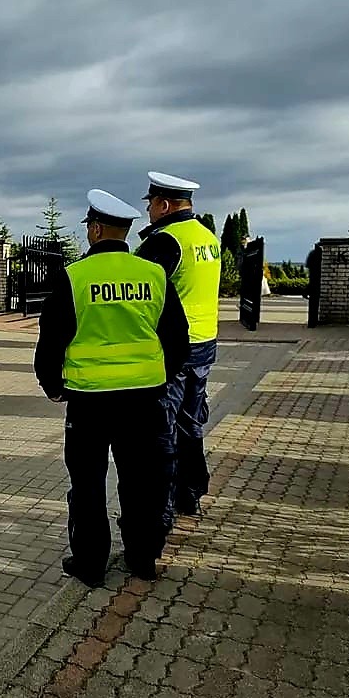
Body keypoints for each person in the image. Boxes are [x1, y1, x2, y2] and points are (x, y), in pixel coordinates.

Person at [34, 189, 189, 584]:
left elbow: (52, 339)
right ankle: (142, 559)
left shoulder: (74, 277)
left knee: (87, 485)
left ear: (97, 229)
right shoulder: (153, 275)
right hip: (144, 401)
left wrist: (52, 385)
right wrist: (159, 377)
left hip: (89, 404)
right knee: (141, 483)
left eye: (89, 226)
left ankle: (90, 565)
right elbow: (177, 338)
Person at [135, 172, 222, 520]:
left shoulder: (165, 240)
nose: (150, 212)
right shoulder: (206, 236)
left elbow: (145, 295)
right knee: (191, 423)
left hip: (172, 349)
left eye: (152, 204)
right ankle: (191, 493)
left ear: (165, 204)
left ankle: (164, 508)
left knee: (163, 428)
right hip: (205, 343)